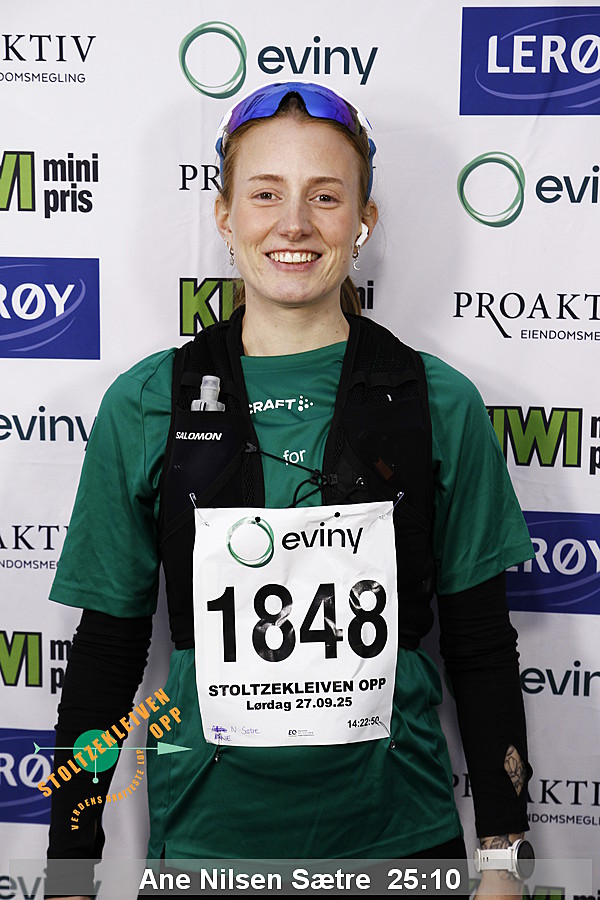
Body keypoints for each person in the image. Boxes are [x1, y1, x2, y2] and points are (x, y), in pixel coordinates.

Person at [45, 81, 534, 899]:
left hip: (402, 846)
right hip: (204, 851)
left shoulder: (439, 403)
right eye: (266, 194)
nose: (295, 224)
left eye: (326, 197)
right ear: (224, 216)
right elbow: (104, 656)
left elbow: (481, 647)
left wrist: (502, 863)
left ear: (363, 220)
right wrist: (67, 875)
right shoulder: (148, 402)